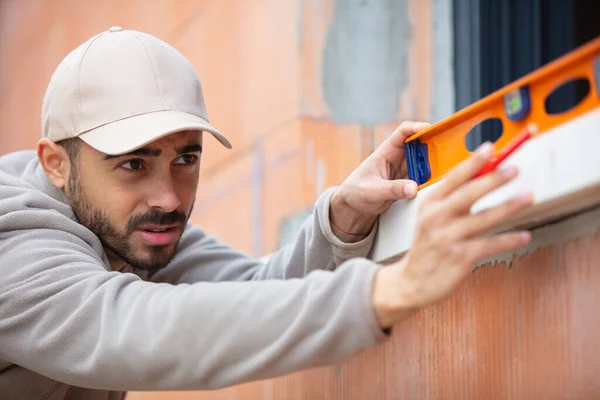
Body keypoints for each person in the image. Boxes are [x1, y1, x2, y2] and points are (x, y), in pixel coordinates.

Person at [0, 27, 533, 399]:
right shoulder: (15, 245)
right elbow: (133, 327)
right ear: (57, 164)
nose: (167, 198)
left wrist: (343, 217)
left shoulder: (129, 228)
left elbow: (256, 291)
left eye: (186, 158)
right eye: (133, 165)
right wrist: (391, 290)